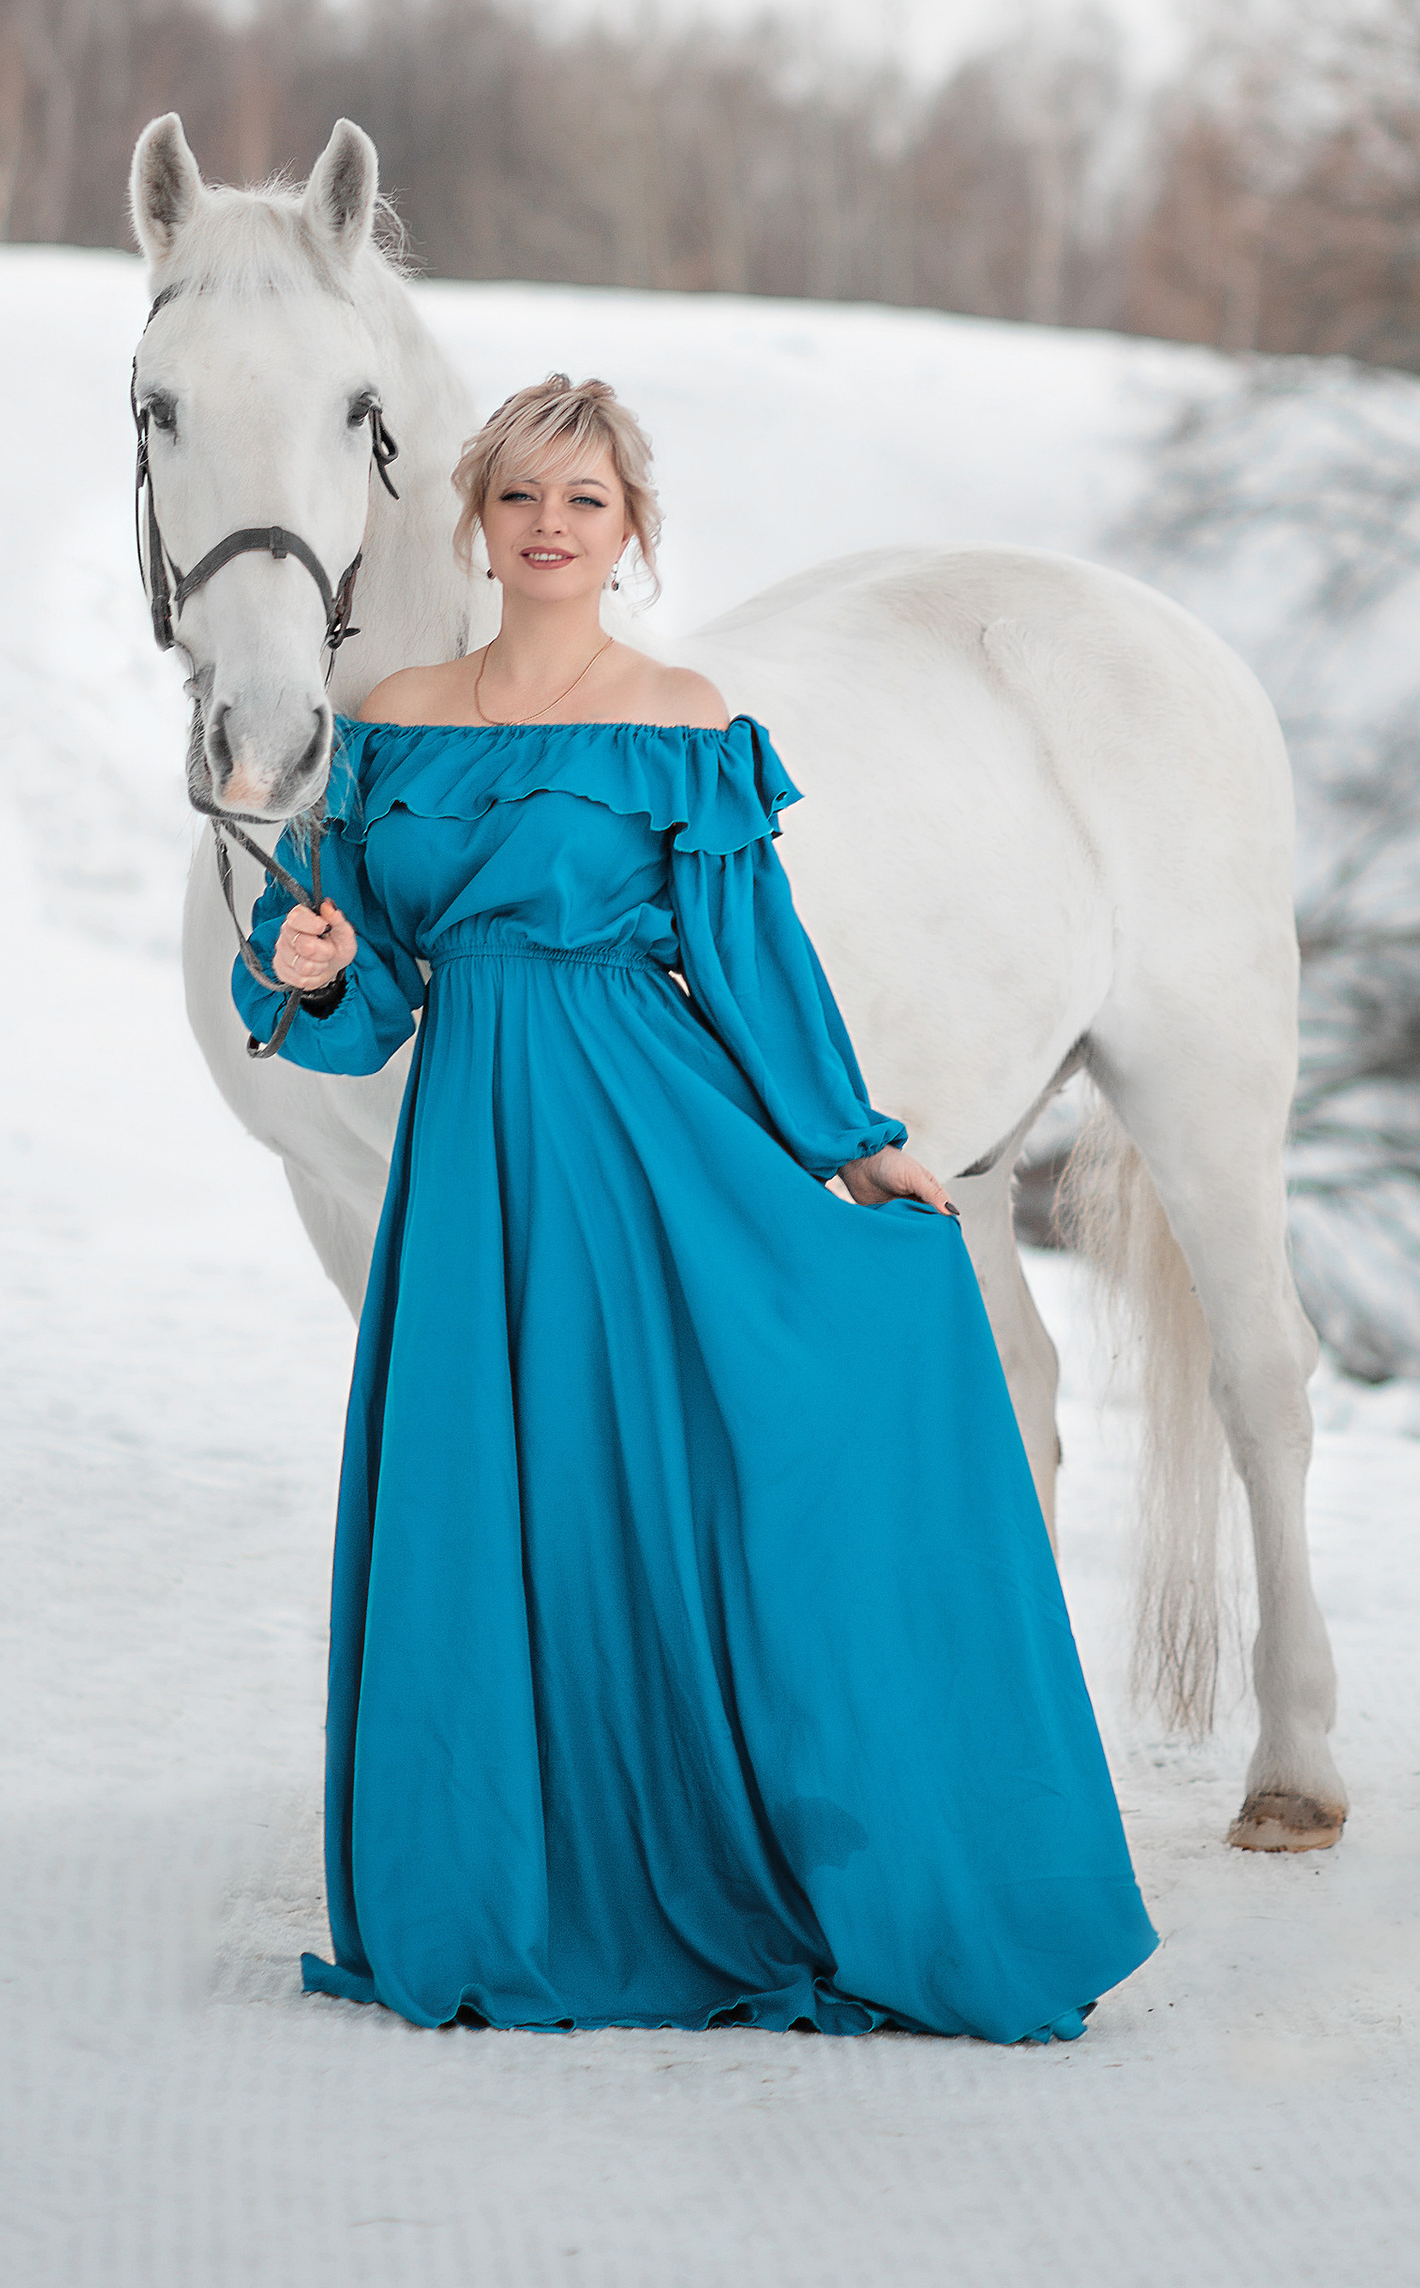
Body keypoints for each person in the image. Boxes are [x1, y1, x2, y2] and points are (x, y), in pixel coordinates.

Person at [239, 370, 1157, 2042]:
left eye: (584, 502)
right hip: (474, 1159)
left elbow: (748, 958)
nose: (549, 528)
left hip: (642, 1133)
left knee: (703, 1459)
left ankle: (826, 1847)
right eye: (520, 496)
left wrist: (853, 1138)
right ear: (478, 516)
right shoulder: (397, 727)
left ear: (630, 529)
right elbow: (364, 989)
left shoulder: (680, 719)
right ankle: (509, 1871)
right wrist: (308, 958)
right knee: (496, 1495)